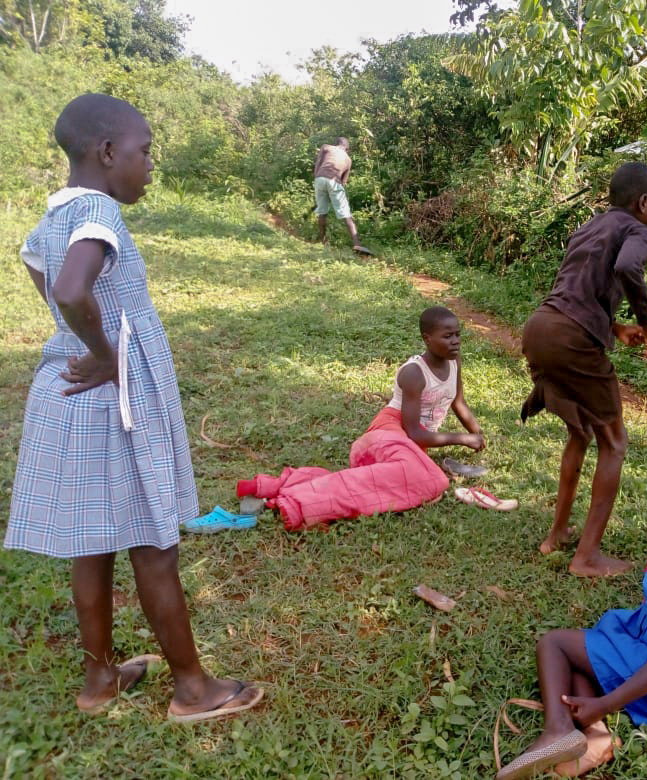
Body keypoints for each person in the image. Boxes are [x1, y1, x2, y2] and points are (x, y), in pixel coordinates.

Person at [4, 93, 264, 721]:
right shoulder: (98, 211)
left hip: (65, 392)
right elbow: (70, 289)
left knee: (90, 543)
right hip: (105, 394)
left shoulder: (55, 213)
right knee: (153, 541)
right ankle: (193, 688)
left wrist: (79, 341)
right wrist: (105, 350)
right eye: (145, 151)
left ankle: (99, 682)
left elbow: (42, 273)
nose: (150, 164)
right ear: (108, 151)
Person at [495, 456, 647, 780]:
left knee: (554, 644)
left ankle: (558, 729)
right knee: (601, 640)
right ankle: (595, 739)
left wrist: (606, 704)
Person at [521, 162, 647, 578]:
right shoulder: (639, 230)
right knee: (615, 442)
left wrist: (616, 327)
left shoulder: (589, 226)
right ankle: (586, 557)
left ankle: (558, 534)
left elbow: (577, 287)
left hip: (541, 327)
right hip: (571, 338)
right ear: (643, 203)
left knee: (580, 431)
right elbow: (626, 268)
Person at [237, 307, 485, 529]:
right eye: (447, 336)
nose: (455, 342)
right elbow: (415, 433)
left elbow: (458, 402)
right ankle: (300, 503)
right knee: (432, 481)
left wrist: (477, 434)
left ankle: (275, 487)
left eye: (457, 335)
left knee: (397, 480)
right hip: (386, 434)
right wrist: (462, 438)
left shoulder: (453, 362)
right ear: (427, 339)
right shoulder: (414, 373)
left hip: (406, 449)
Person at [313, 136, 370, 254]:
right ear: (347, 148)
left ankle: (322, 241)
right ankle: (357, 244)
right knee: (345, 214)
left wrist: (318, 178)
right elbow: (344, 182)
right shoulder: (348, 160)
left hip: (319, 178)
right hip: (335, 182)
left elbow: (318, 164)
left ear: (336, 144)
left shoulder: (326, 147)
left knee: (322, 212)